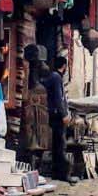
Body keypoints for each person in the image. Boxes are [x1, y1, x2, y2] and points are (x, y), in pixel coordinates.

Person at [41, 53, 72, 183]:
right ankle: (61, 173)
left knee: (57, 143)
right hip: (56, 114)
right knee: (59, 144)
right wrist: (64, 114)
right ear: (64, 66)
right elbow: (59, 98)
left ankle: (56, 171)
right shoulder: (56, 77)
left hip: (53, 113)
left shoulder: (53, 77)